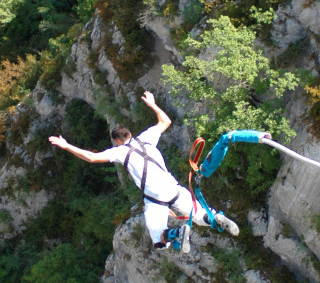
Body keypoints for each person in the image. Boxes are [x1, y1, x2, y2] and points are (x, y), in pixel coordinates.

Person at [49, 91, 239, 253]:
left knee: (158, 240)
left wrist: (66, 146)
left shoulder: (120, 152)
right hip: (173, 188)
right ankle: (216, 217)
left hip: (155, 197)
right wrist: (152, 104)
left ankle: (176, 234)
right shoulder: (146, 138)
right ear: (130, 135)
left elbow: (91, 158)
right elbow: (165, 121)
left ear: (116, 141)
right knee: (200, 216)